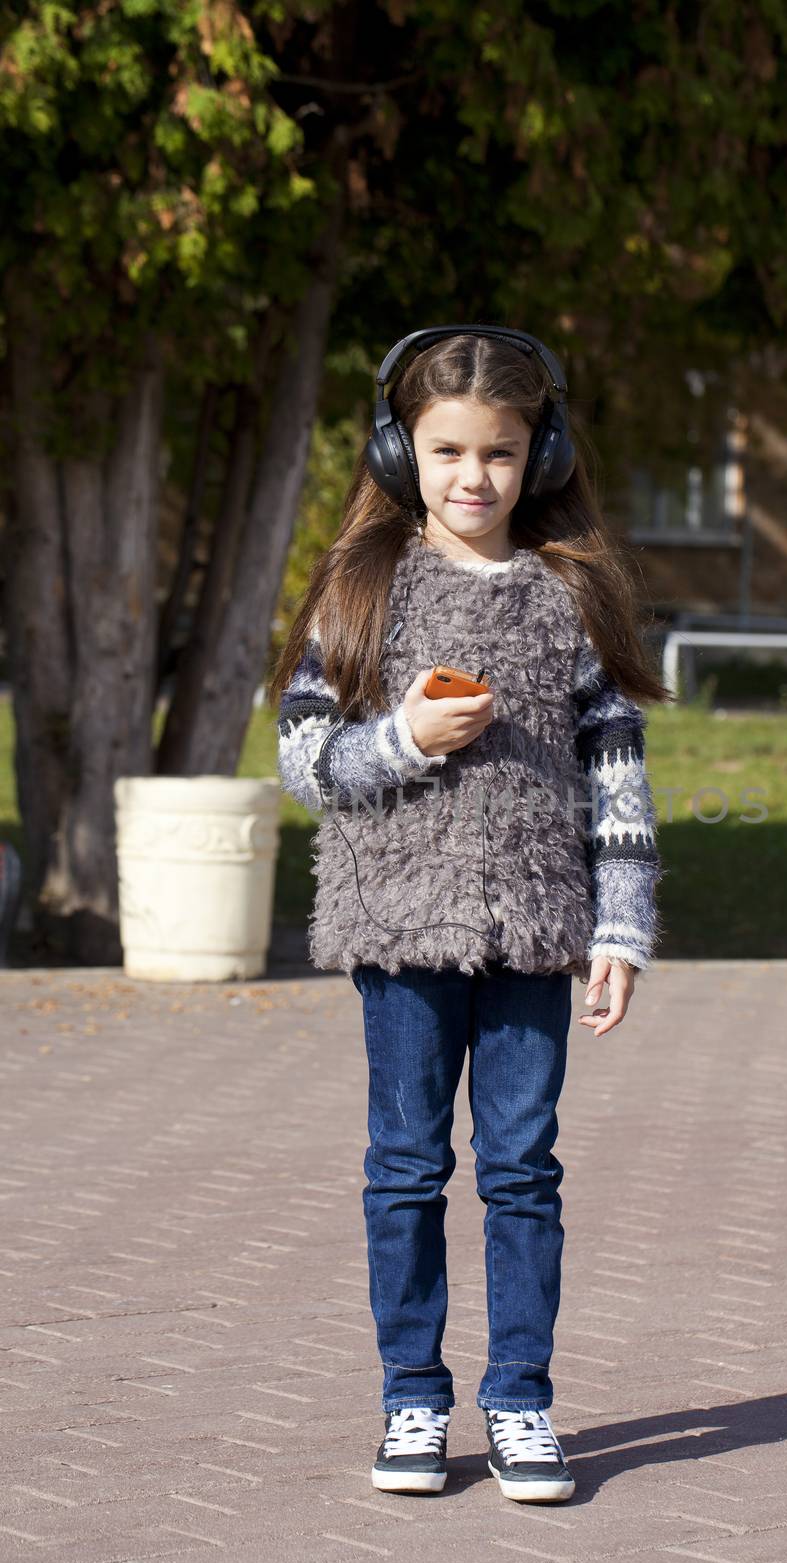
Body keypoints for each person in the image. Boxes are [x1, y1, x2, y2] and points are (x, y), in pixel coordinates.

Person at [270, 325, 670, 1503]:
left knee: (520, 1167)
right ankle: (410, 1395)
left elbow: (618, 778)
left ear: (539, 456)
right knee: (403, 1165)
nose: (472, 478)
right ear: (401, 453)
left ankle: (521, 1402)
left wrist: (620, 925)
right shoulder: (363, 588)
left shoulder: (568, 594)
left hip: (536, 928)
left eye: (499, 453)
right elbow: (303, 761)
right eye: (445, 451)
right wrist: (402, 739)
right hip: (398, 928)